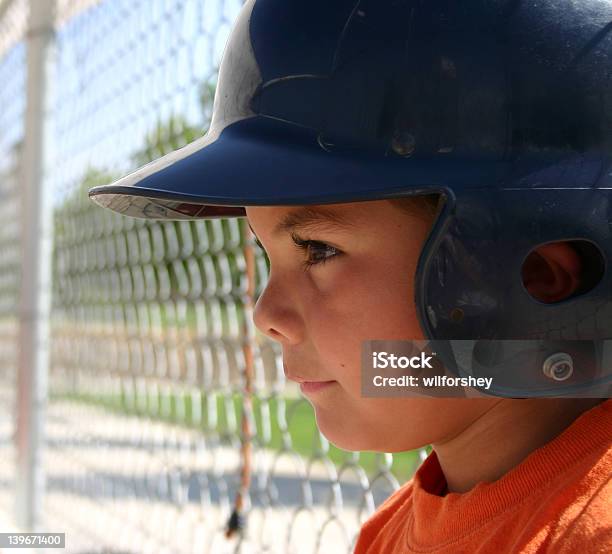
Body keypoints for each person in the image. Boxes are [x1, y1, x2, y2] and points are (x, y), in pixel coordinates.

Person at [89, 1, 612, 552]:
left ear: (535, 276)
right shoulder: (388, 533)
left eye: (317, 249)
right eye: (269, 256)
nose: (266, 317)